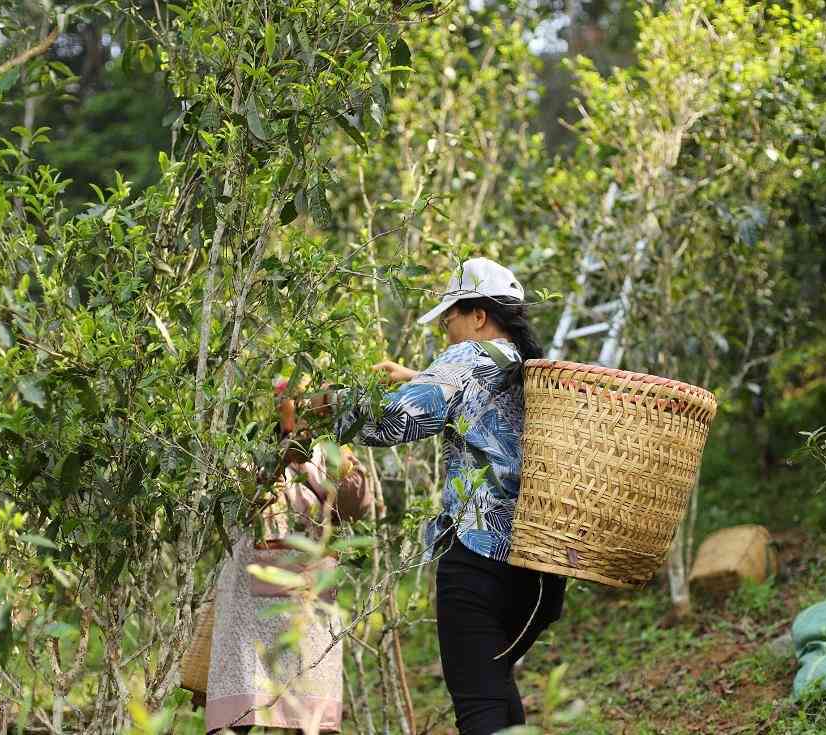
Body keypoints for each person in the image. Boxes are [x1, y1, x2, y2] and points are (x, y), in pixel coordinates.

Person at [315, 257, 567, 735]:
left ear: (478, 317)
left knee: (479, 707)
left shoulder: (466, 358)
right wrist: (416, 377)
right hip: (537, 571)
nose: (445, 331)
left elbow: (395, 421)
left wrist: (325, 403)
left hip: (478, 558)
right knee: (495, 690)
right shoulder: (523, 364)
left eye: (450, 318)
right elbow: (479, 407)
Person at [204, 380, 374, 735]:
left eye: (304, 399)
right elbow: (237, 500)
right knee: (240, 707)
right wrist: (282, 452)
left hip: (309, 592)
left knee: (310, 712)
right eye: (291, 399)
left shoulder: (331, 452)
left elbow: (357, 506)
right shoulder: (250, 447)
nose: (299, 406)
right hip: (249, 598)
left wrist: (340, 463)